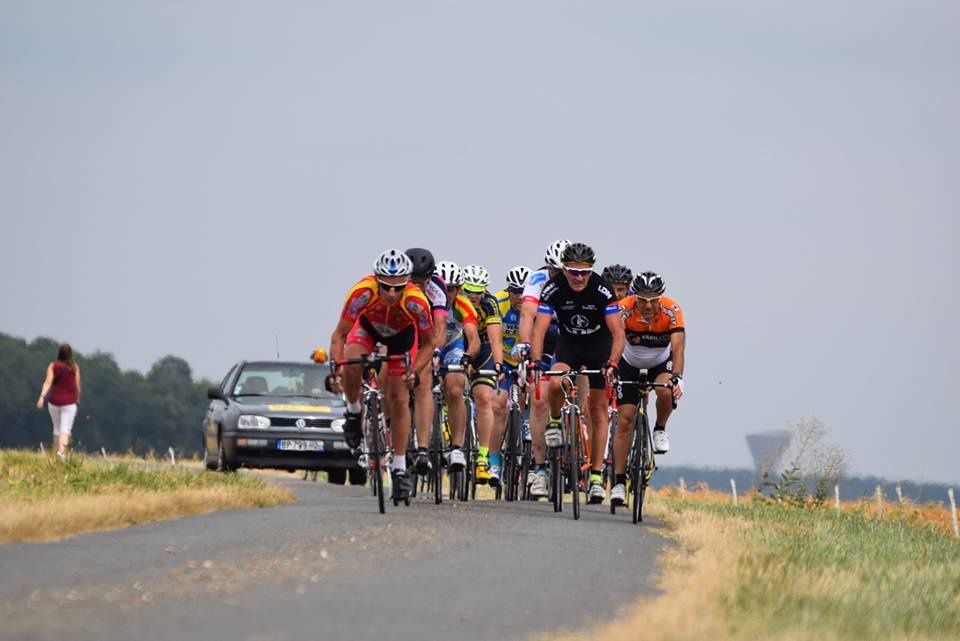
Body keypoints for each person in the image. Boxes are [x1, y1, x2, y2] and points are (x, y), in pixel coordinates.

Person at [328, 249, 436, 501]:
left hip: (402, 337)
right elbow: (339, 336)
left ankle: (398, 468)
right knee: (352, 361)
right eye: (385, 287)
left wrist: (415, 371)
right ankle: (354, 411)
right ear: (377, 281)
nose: (391, 294)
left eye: (397, 288)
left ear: (407, 283)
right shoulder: (362, 292)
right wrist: (336, 369)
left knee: (399, 399)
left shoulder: (416, 302)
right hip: (368, 329)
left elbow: (429, 343)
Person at [529, 242, 625, 505]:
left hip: (599, 347)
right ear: (564, 270)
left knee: (598, 410)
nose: (578, 277)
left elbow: (618, 333)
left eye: (584, 272)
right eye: (572, 271)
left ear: (591, 270)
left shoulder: (602, 290)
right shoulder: (553, 289)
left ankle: (595, 477)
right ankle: (557, 421)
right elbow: (539, 329)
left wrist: (613, 363)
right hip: (569, 345)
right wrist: (536, 361)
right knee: (555, 382)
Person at [610, 271, 685, 507]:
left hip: (660, 363)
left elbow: (679, 348)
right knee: (625, 421)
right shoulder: (623, 308)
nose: (649, 305)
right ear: (635, 297)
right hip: (629, 362)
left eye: (654, 300)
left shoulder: (672, 310)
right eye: (643, 300)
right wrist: (611, 366)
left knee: (665, 389)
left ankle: (660, 428)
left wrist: (677, 378)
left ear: (661, 298)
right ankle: (619, 482)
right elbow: (613, 339)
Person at [512, 239, 568, 498]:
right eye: (555, 271)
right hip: (542, 335)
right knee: (540, 397)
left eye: (563, 271)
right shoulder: (537, 279)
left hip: (570, 337)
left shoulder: (581, 281)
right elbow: (526, 315)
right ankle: (540, 467)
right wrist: (525, 346)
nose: (559, 276)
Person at [431, 260, 481, 472]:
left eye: (451, 289)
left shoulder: (463, 304)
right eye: (442, 286)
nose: (447, 292)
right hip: (429, 345)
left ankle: (457, 447)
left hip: (453, 346)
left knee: (455, 387)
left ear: (459, 289)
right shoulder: (428, 300)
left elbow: (474, 339)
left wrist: (467, 358)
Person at [405, 248, 451, 475]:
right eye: (412, 281)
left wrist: (436, 353)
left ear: (430, 278)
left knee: (423, 380)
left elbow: (440, 327)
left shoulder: (437, 288)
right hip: (402, 331)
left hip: (426, 333)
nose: (416, 286)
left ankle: (422, 449)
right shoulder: (396, 286)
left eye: (421, 282)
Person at [461, 264, 504, 486]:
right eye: (470, 291)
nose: (475, 296)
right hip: (460, 343)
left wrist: (498, 364)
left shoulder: (490, 303)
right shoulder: (457, 300)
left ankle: (482, 458)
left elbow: (496, 339)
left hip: (483, 348)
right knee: (452, 386)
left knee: (484, 397)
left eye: (479, 291)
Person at [37, 343, 81, 460]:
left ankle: (56, 455)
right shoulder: (74, 368)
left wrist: (42, 396)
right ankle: (61, 453)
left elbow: (48, 382)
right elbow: (77, 386)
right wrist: (77, 398)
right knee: (65, 429)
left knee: (56, 428)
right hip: (69, 403)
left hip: (54, 402)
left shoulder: (53, 366)